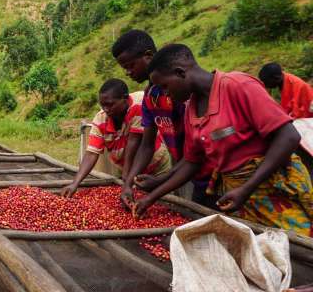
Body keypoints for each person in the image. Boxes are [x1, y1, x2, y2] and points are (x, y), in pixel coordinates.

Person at [133, 44, 313, 237]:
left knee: (299, 250)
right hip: (240, 197)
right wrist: (151, 197)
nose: (165, 94)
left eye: (165, 87)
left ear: (180, 72)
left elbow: (288, 136)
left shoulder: (237, 86)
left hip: (276, 191)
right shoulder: (191, 110)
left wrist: (246, 188)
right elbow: (192, 162)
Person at [111, 30, 185, 208]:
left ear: (148, 56)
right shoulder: (150, 96)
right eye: (124, 68)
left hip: (200, 168)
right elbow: (147, 144)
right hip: (181, 167)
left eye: (130, 65)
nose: (128, 72)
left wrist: (159, 182)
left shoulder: (181, 89)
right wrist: (128, 182)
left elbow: (197, 152)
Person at [61, 79, 171, 198]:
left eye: (110, 104)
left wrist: (127, 177)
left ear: (125, 99)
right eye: (102, 105)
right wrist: (75, 183)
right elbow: (91, 153)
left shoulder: (139, 104)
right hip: (126, 170)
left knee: (166, 204)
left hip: (155, 167)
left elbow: (134, 142)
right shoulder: (100, 119)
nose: (106, 109)